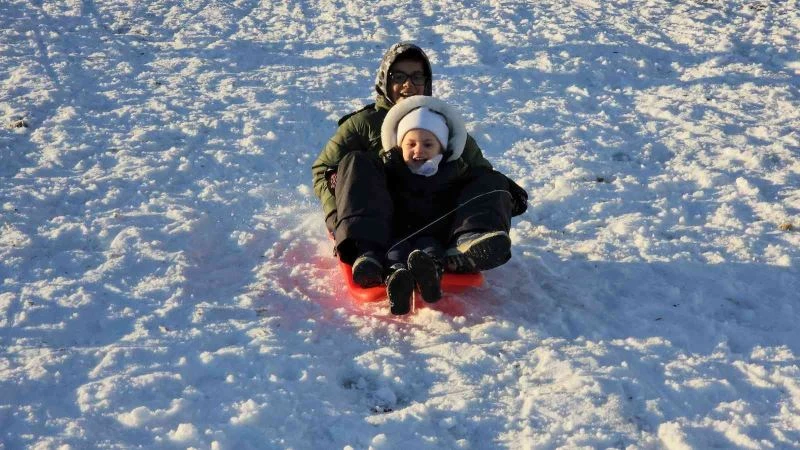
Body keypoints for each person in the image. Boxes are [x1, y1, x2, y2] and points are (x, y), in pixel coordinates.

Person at [311, 43, 528, 309]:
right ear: (384, 80)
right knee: (355, 162)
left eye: (416, 77)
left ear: (427, 82)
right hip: (382, 218)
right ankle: (367, 252)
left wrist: (502, 195)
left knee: (492, 180)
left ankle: (466, 243)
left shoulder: (443, 122)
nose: (407, 85)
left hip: (434, 215)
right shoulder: (363, 123)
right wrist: (339, 221)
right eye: (399, 77)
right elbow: (323, 170)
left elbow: (479, 172)